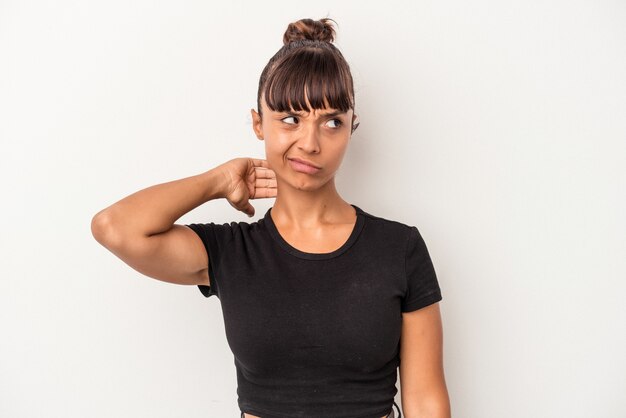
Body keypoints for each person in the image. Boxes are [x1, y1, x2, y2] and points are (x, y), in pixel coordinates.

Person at [91, 17, 450, 418]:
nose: (310, 144)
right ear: (259, 123)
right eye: (291, 119)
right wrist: (217, 180)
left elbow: (426, 401)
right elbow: (114, 227)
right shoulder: (231, 252)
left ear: (352, 128)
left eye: (332, 122)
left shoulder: (399, 249)